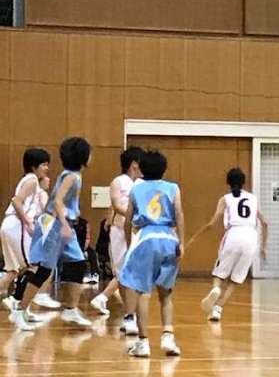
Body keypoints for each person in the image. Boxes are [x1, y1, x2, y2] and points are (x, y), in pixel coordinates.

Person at [13, 137, 92, 331]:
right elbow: (57, 201)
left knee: (78, 263)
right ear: (82, 156)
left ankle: (71, 309)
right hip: (55, 225)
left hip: (64, 225)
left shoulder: (73, 175)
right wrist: (64, 224)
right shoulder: (71, 177)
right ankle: (19, 310)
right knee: (43, 270)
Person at [119, 150, 184, 358]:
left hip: (146, 237)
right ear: (164, 169)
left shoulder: (136, 189)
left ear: (142, 169)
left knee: (142, 292)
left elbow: (128, 220)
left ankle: (143, 341)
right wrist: (181, 242)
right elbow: (179, 214)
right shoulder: (173, 188)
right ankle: (168, 337)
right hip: (169, 238)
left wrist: (130, 243)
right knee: (166, 294)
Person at [187, 168, 268, 322]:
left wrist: (194, 237)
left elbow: (212, 223)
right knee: (236, 279)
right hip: (251, 237)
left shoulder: (225, 199)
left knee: (219, 274)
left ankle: (216, 289)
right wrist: (264, 247)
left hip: (233, 235)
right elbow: (265, 222)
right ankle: (217, 310)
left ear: (228, 183)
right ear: (244, 182)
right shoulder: (252, 199)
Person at [90, 147, 144, 335]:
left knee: (133, 272)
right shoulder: (118, 181)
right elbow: (115, 204)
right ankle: (126, 313)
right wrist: (122, 217)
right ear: (134, 164)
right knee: (122, 272)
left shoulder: (142, 184)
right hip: (120, 231)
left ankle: (129, 314)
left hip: (137, 231)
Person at [0, 148, 50, 298]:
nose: (46, 168)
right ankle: (18, 299)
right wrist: (27, 221)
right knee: (33, 265)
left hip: (10, 225)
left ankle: (13, 296)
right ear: (34, 166)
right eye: (43, 165)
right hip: (16, 225)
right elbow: (16, 201)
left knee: (13, 270)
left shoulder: (28, 180)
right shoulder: (32, 180)